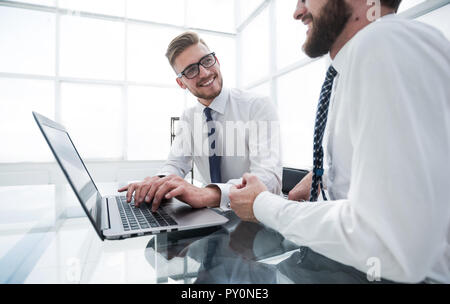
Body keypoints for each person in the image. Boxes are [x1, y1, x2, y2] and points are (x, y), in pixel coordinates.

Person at [229, 0, 450, 283]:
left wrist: (262, 204)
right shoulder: (366, 58)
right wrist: (328, 174)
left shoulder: (381, 43)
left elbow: (386, 245)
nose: (297, 12)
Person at [119, 31, 282, 213]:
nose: (204, 73)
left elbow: (269, 179)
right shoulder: (190, 118)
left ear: (216, 61)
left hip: (258, 218)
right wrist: (159, 182)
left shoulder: (257, 106)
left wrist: (205, 195)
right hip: (212, 217)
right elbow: (175, 163)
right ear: (181, 83)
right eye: (190, 70)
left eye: (206, 61)